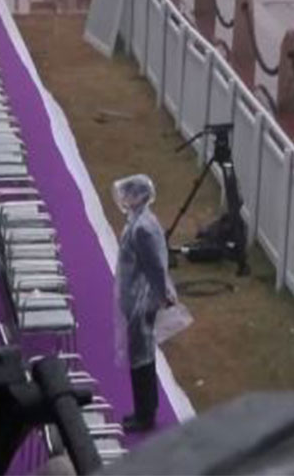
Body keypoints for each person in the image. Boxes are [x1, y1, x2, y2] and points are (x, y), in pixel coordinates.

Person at [114, 174, 174, 434]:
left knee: (142, 359)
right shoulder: (139, 223)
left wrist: (162, 295)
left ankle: (145, 414)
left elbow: (155, 267)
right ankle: (143, 410)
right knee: (140, 357)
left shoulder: (142, 228)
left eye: (128, 193)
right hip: (135, 298)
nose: (124, 198)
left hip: (142, 301)